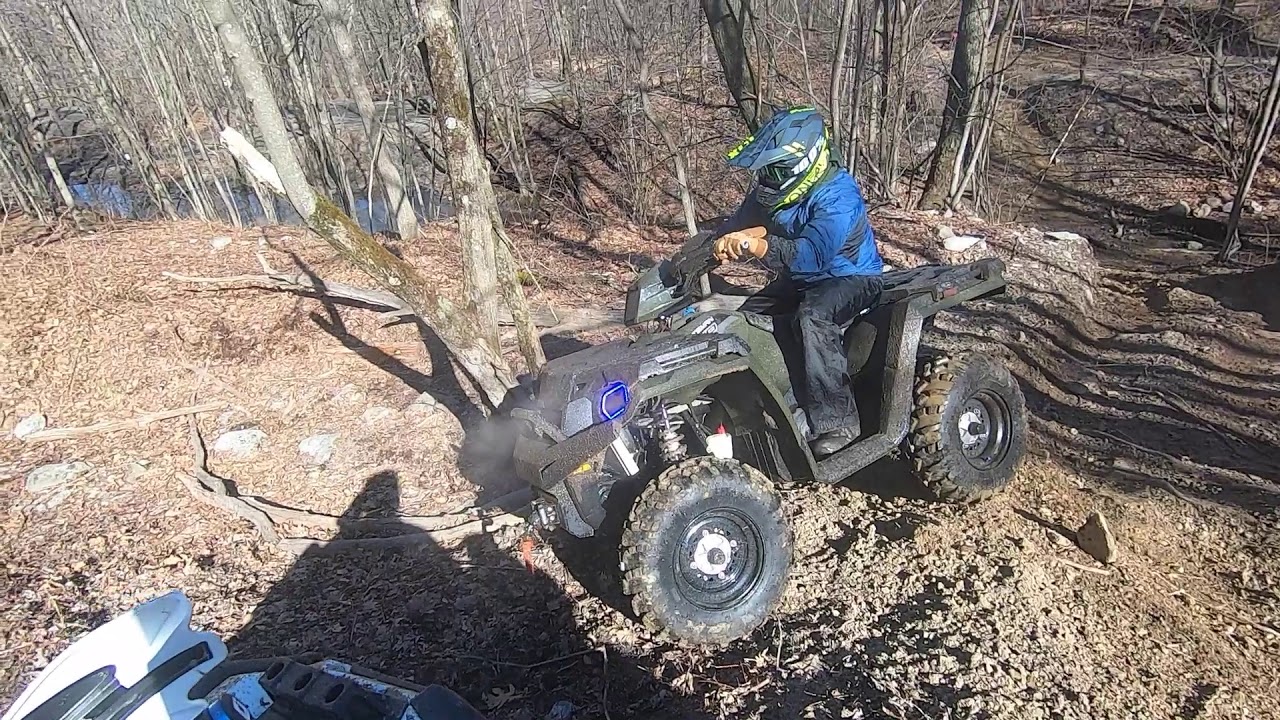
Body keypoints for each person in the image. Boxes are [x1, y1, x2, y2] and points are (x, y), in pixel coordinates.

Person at [711, 105, 884, 458]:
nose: (770, 177)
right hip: (802, 279)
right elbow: (738, 223)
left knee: (812, 318)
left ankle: (838, 422)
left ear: (804, 163)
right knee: (748, 319)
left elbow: (812, 254)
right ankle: (786, 406)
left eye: (777, 169)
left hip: (851, 277)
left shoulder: (838, 194)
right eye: (768, 170)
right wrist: (714, 246)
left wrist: (758, 245)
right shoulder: (771, 193)